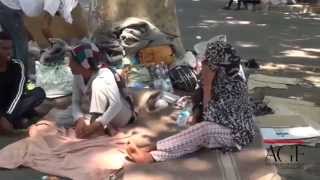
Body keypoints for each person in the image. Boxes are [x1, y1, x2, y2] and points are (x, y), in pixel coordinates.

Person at [126, 41, 256, 164]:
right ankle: (157, 146)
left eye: (208, 61)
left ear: (217, 65)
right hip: (222, 119)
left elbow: (209, 117)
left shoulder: (234, 85)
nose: (203, 62)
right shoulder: (220, 75)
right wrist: (194, 103)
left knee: (204, 130)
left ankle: (153, 156)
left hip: (236, 133)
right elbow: (198, 95)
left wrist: (208, 85)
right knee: (193, 121)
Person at [69, 42, 134, 139]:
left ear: (83, 63)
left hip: (120, 115)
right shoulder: (77, 76)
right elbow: (75, 101)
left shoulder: (104, 74)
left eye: (72, 61)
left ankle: (98, 128)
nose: (69, 64)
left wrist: (98, 124)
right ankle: (98, 124)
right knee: (63, 117)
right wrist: (79, 119)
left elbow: (116, 104)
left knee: (97, 83)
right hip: (102, 112)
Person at [0, 0, 79, 75]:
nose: (56, 15)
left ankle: (11, 75)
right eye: (57, 13)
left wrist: (27, 33)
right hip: (7, 6)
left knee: (17, 44)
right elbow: (44, 27)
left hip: (10, 6)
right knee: (21, 48)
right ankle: (21, 79)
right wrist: (54, 43)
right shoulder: (55, 1)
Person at [0, 31, 45, 133]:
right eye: (4, 48)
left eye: (10, 48)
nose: (9, 52)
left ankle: (12, 121)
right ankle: (19, 120)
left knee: (38, 93)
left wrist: (7, 116)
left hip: (13, 105)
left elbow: (18, 93)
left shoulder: (17, 65)